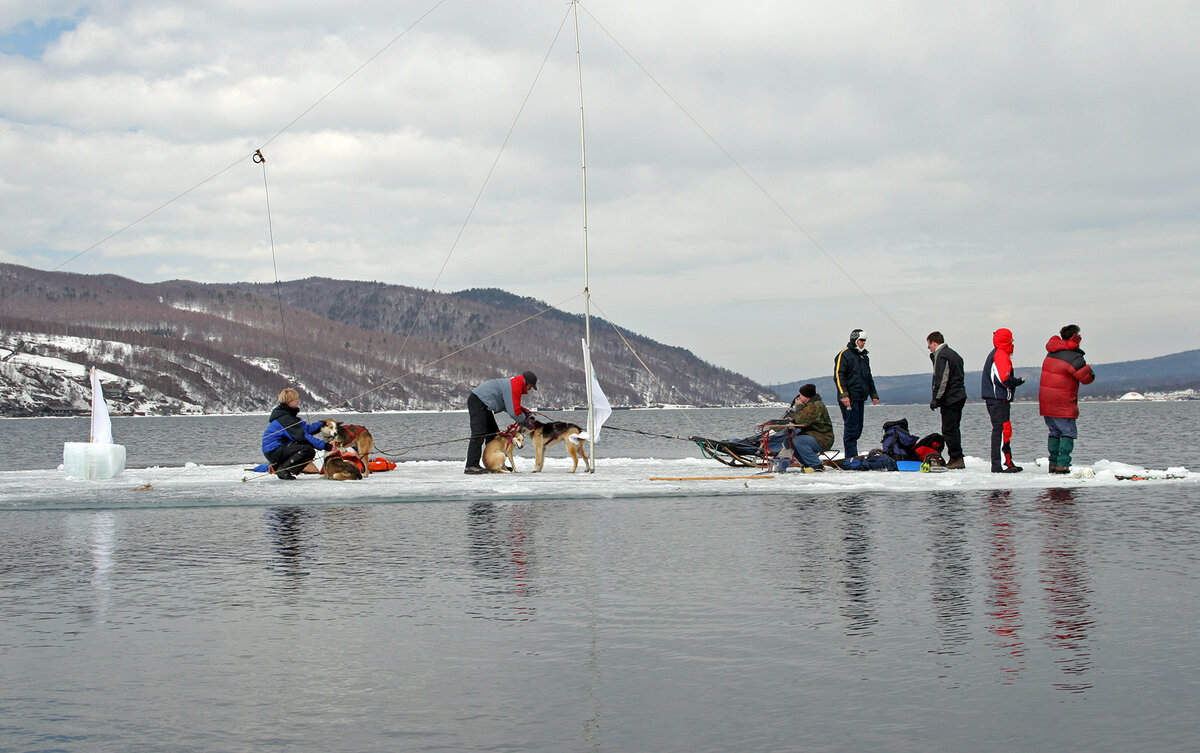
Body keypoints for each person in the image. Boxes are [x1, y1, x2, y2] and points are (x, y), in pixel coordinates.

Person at [1039, 324, 1095, 474]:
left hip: (1046, 402)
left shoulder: (1051, 352)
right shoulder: (1073, 357)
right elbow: (1087, 378)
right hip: (1063, 403)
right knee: (1067, 432)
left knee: (1054, 432)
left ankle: (1053, 464)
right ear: (1076, 337)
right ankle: (1063, 465)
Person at [465, 371, 538, 474]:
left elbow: (510, 405)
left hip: (484, 404)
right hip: (478, 401)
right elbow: (514, 412)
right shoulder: (515, 386)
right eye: (531, 387)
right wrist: (526, 422)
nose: (530, 389)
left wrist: (522, 410)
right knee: (479, 433)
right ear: (528, 383)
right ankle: (471, 466)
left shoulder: (515, 384)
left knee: (493, 433)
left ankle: (495, 464)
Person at [261, 387, 332, 480]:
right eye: (296, 399)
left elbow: (308, 429)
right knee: (307, 450)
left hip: (277, 449)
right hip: (273, 450)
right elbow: (303, 437)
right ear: (289, 401)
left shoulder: (289, 416)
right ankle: (283, 470)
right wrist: (327, 446)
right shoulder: (285, 419)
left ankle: (279, 467)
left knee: (307, 448)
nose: (298, 401)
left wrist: (323, 423)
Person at [981, 328, 1026, 473]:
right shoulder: (1000, 354)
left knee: (1004, 429)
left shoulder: (998, 353)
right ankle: (999, 465)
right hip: (997, 399)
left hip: (997, 399)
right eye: (1011, 340)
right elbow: (1004, 379)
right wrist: (1018, 381)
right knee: (1000, 430)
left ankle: (1006, 462)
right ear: (1006, 340)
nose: (1013, 342)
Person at [833, 328, 879, 459]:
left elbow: (868, 377)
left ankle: (854, 455)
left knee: (858, 428)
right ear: (855, 340)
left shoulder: (864, 357)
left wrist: (873, 394)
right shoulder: (844, 355)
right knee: (851, 428)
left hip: (860, 397)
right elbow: (838, 375)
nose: (864, 343)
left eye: (865, 340)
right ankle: (851, 457)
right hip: (849, 398)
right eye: (861, 340)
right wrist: (844, 395)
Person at [927, 331, 967, 469]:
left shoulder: (942, 355)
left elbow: (942, 379)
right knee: (954, 428)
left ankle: (956, 458)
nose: (929, 349)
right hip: (959, 396)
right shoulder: (955, 354)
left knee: (949, 429)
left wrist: (936, 398)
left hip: (950, 398)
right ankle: (957, 457)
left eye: (929, 346)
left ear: (934, 343)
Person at [782, 383, 835, 472]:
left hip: (824, 438)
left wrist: (799, 406)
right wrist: (792, 419)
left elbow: (801, 420)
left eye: (801, 395)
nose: (799, 397)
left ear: (805, 396)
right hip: (813, 435)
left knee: (799, 440)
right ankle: (806, 463)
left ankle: (816, 465)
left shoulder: (815, 406)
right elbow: (803, 419)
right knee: (788, 441)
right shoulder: (810, 405)